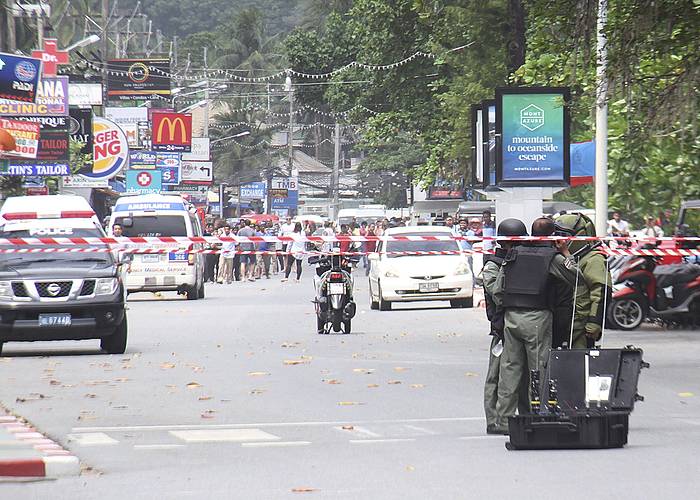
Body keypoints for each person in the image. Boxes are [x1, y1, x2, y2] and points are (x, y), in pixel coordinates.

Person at [491, 219, 578, 434]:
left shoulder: (514, 254)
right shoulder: (552, 258)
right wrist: (566, 253)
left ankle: (504, 421)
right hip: (537, 319)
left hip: (512, 317)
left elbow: (497, 290)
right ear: (552, 236)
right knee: (538, 371)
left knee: (509, 371)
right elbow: (576, 277)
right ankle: (538, 416)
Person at [478, 218, 529, 434]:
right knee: (497, 376)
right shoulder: (493, 266)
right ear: (505, 244)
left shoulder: (521, 260)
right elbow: (497, 294)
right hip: (502, 328)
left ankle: (526, 416)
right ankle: (495, 420)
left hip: (519, 324)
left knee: (524, 375)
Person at [553, 213, 613, 349]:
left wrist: (594, 322)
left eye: (563, 235)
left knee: (578, 363)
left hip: (581, 325)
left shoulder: (594, 259)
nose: (559, 240)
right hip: (563, 321)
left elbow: (601, 292)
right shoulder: (563, 257)